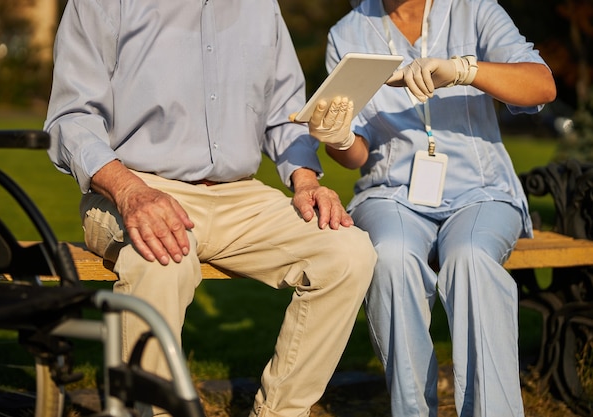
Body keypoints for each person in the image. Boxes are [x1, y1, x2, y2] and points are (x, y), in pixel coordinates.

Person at [44, 1, 377, 416]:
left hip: (239, 194)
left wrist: (306, 179)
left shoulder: (261, 8)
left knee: (348, 253)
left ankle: (280, 412)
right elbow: (71, 117)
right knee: (163, 259)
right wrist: (129, 191)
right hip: (132, 187)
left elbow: (284, 114)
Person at [314, 0, 557, 416]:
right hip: (391, 193)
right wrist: (336, 138)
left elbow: (542, 86)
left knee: (471, 258)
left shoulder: (476, 10)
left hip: (482, 190)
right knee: (390, 258)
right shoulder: (346, 35)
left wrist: (465, 70)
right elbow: (357, 153)